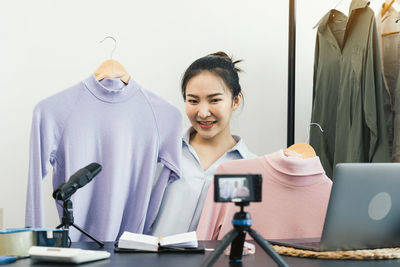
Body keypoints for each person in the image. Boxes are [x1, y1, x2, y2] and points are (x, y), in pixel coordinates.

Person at [149, 51, 256, 237]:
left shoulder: (251, 168)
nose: (203, 112)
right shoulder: (163, 154)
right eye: (193, 101)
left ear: (235, 101)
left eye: (214, 100)